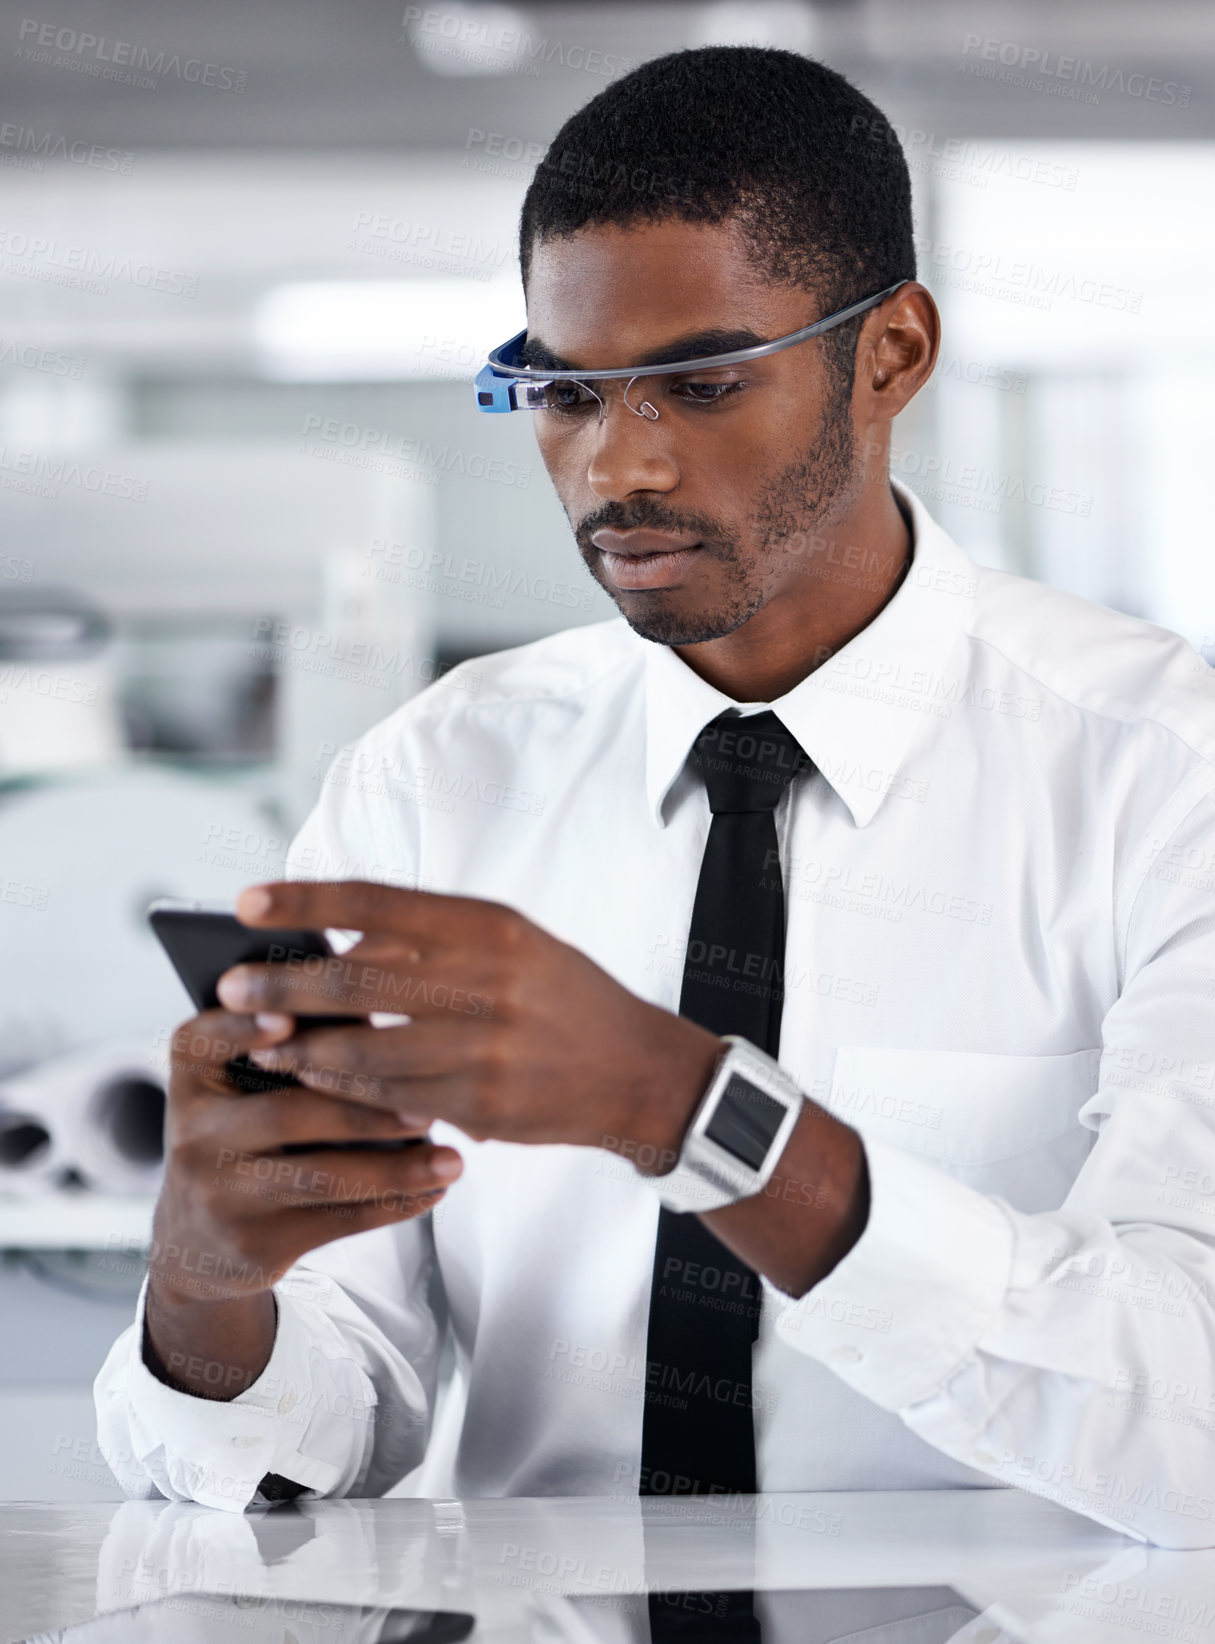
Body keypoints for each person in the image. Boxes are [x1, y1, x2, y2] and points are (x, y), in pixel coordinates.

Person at [97, 46, 1215, 1551]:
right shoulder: (438, 776)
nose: (617, 466)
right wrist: (205, 1292)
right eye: (564, 392)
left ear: (890, 354)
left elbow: (1191, 1411)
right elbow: (327, 1427)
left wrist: (693, 1112)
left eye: (701, 383)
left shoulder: (1164, 774)